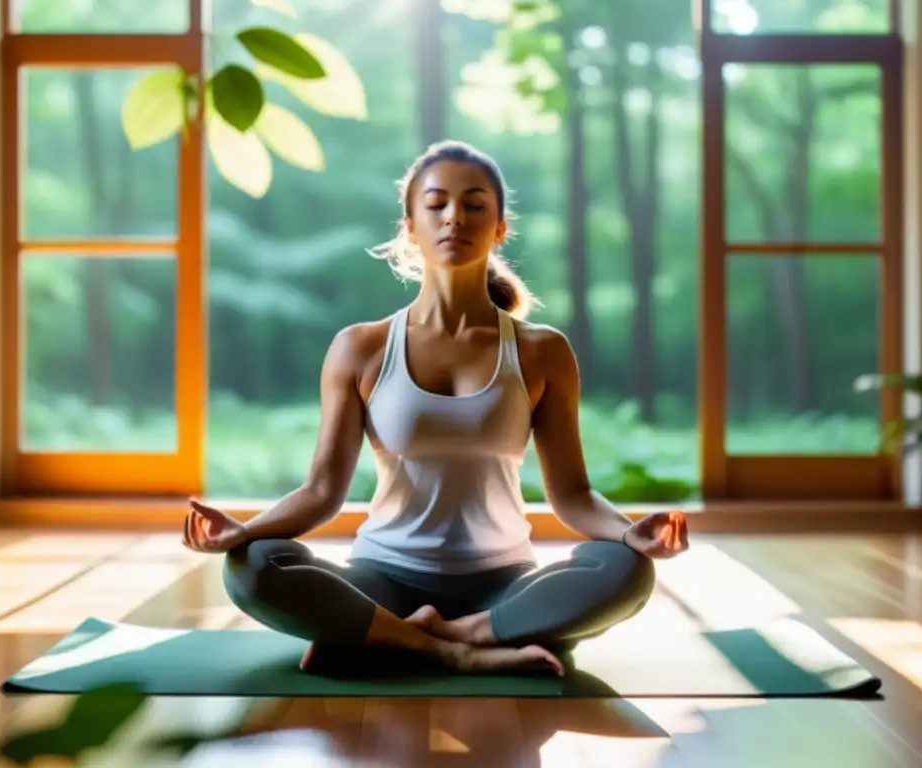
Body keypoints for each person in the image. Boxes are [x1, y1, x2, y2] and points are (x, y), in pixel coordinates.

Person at [182, 139, 689, 677]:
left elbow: (573, 495)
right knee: (253, 567)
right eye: (436, 203)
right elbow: (321, 493)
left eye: (474, 205)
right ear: (409, 225)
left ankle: (403, 638)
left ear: (499, 228)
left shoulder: (543, 351)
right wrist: (243, 532)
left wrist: (630, 533)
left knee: (627, 571)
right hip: (385, 577)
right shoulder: (362, 347)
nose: (454, 217)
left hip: (502, 583)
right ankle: (454, 650)